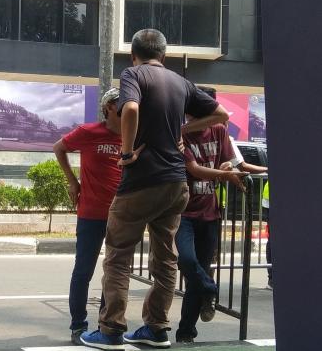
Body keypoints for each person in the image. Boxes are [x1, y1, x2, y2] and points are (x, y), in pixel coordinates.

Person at [81, 29, 229, 350]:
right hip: (175, 184)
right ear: (163, 55)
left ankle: (110, 330)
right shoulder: (181, 82)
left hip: (140, 182)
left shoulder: (133, 74)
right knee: (165, 259)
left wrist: (127, 151)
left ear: (133, 54)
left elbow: (130, 109)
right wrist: (183, 128)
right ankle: (157, 328)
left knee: (119, 256)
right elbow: (221, 114)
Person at [53, 88, 123, 345]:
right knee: (83, 271)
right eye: (120, 102)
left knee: (114, 272)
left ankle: (106, 325)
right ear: (108, 108)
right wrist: (72, 181)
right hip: (91, 213)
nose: (127, 105)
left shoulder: (134, 135)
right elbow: (59, 148)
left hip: (122, 216)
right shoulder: (88, 132)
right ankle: (77, 325)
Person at [175, 107, 250, 344]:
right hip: (183, 211)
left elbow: (229, 163)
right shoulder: (181, 134)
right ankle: (210, 286)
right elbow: (194, 169)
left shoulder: (219, 130)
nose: (191, 118)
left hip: (210, 213)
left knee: (197, 274)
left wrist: (226, 169)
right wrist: (224, 174)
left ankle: (186, 332)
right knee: (187, 261)